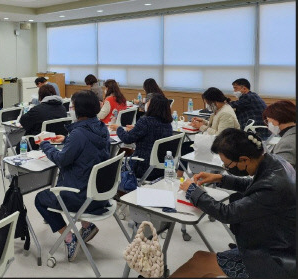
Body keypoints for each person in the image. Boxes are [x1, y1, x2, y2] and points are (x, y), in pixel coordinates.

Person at [172, 129, 296, 278]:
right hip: (276, 243)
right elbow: (254, 185)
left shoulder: (273, 186)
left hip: (274, 259)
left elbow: (227, 213)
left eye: (227, 165)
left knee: (199, 261)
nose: (227, 169)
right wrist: (220, 178)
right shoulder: (274, 162)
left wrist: (192, 191)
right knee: (202, 262)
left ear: (244, 159)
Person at [34, 90, 110, 262]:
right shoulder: (101, 127)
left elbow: (61, 159)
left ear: (79, 110)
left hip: (79, 197)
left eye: (73, 106)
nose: (70, 109)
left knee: (41, 199)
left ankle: (69, 237)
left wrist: (45, 145)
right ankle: (86, 225)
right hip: (99, 195)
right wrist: (66, 139)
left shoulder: (78, 135)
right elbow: (84, 147)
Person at [110, 94, 173, 180]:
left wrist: (119, 128)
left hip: (143, 166)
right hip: (161, 167)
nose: (146, 104)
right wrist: (136, 129)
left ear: (153, 106)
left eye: (149, 102)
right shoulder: (167, 124)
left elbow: (127, 139)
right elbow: (150, 134)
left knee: (116, 159)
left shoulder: (145, 121)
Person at [19, 84, 67, 150]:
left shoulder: (37, 110)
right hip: (57, 141)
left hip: (37, 143)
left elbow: (23, 122)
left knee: (19, 147)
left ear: (40, 96)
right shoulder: (63, 108)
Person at [263, 100, 296, 168]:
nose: (268, 124)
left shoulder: (286, 143)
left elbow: (280, 174)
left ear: (276, 119)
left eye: (268, 120)